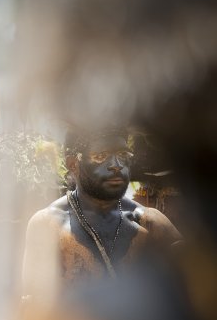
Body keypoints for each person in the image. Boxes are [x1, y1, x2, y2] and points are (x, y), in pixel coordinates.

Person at [22, 128, 181, 301]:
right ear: (73, 164)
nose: (116, 164)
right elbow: (34, 307)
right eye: (101, 156)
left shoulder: (150, 223)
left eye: (123, 154)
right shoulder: (48, 225)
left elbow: (196, 295)